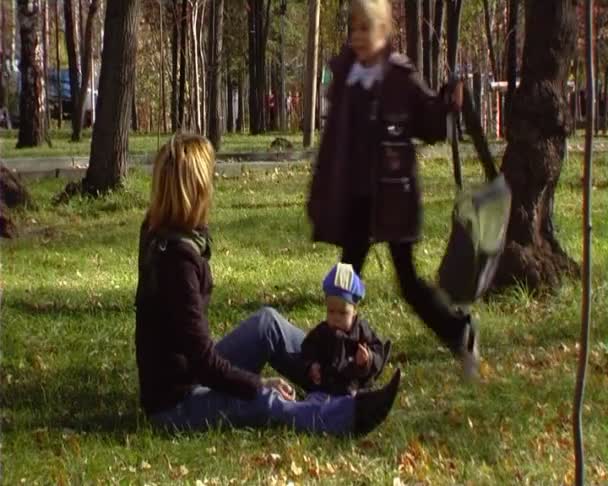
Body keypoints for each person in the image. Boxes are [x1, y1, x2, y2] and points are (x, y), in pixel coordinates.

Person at [134, 133, 401, 437]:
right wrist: (256, 383)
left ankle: (340, 369)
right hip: (176, 405)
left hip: (186, 374)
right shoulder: (177, 261)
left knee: (267, 325)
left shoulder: (157, 228)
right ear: (195, 189)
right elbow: (203, 362)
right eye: (208, 180)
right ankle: (348, 416)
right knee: (265, 400)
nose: (212, 188)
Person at [307, 0, 479, 379]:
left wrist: (447, 104)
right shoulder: (346, 75)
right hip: (356, 199)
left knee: (408, 282)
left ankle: (459, 330)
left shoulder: (399, 77)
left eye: (366, 29)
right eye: (354, 29)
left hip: (393, 200)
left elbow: (430, 123)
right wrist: (322, 192)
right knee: (344, 278)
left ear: (383, 32)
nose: (358, 37)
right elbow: (334, 142)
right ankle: (335, 353)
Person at [302, 263, 391, 396]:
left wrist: (367, 359)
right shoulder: (323, 331)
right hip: (326, 386)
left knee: (359, 395)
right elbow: (308, 347)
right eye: (331, 312)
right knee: (316, 399)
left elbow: (377, 350)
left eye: (343, 313)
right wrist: (312, 365)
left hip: (353, 385)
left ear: (354, 310)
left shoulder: (361, 331)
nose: (336, 318)